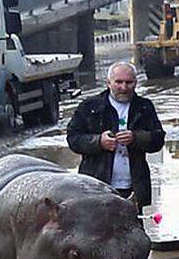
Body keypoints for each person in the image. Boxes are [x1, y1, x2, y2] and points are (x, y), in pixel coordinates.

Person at [66, 61, 166, 207]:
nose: (123, 88)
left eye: (128, 82)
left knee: (131, 228)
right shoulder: (89, 106)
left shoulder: (144, 107)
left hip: (133, 187)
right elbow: (73, 138)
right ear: (108, 83)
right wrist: (99, 141)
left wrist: (136, 137)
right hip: (95, 186)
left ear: (136, 83)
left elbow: (158, 140)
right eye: (118, 82)